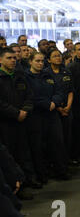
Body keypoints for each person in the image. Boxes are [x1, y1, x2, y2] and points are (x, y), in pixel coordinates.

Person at [0, 47, 40, 197]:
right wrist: (16, 113)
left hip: (22, 120)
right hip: (6, 123)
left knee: (25, 152)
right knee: (10, 156)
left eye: (14, 58)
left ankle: (28, 180)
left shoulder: (20, 75)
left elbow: (30, 96)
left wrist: (25, 110)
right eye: (9, 58)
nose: (13, 60)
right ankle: (15, 187)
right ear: (0, 60)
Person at [25, 52, 70, 182]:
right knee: (38, 146)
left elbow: (59, 91)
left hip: (52, 114)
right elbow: (29, 96)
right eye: (37, 61)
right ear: (30, 62)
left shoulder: (48, 75)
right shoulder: (26, 77)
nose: (40, 63)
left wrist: (54, 102)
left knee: (57, 142)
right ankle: (41, 174)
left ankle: (60, 170)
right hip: (36, 115)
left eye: (42, 61)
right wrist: (46, 104)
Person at [45, 48, 75, 166]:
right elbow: (47, 94)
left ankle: (66, 161)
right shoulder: (46, 73)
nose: (58, 58)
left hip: (67, 109)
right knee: (56, 139)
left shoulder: (66, 71)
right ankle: (56, 163)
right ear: (49, 59)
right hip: (54, 110)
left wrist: (68, 107)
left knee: (68, 136)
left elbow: (71, 91)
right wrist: (59, 108)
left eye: (59, 55)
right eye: (55, 56)